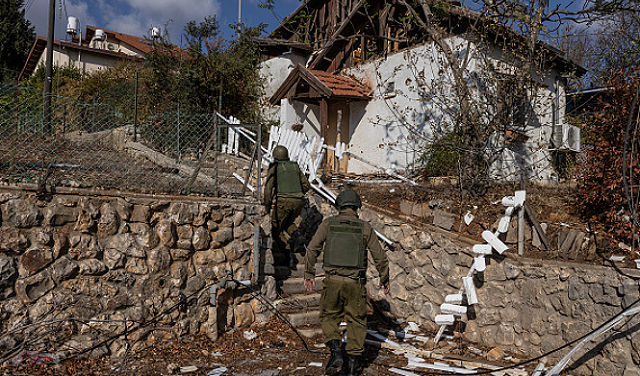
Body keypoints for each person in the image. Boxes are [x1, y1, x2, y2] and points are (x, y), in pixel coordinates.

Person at [303, 189, 390, 376]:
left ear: (339, 206)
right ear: (357, 207)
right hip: (355, 284)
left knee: (328, 317)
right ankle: (351, 369)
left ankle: (335, 352)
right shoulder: (364, 227)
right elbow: (380, 256)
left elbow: (311, 249)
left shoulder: (328, 224)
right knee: (357, 322)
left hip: (332, 282)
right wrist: (385, 279)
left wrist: (309, 274)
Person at [263, 145, 310, 269]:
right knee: (287, 223)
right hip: (298, 201)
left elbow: (268, 190)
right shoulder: (295, 166)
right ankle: (297, 235)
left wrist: (267, 208)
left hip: (283, 202)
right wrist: (298, 195)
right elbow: (306, 184)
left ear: (275, 157)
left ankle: (288, 254)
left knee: (275, 228)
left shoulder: (275, 167)